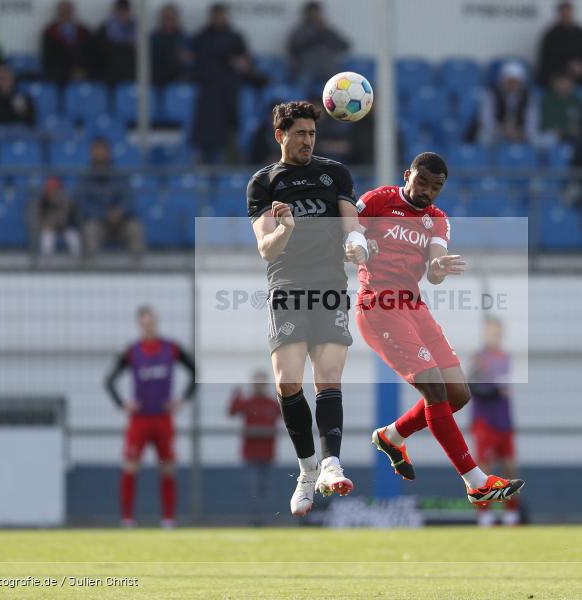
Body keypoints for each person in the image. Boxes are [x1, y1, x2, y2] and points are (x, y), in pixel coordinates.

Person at [359, 152, 525, 507]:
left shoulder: (437, 219)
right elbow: (346, 237)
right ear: (408, 175)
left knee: (458, 394)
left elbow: (434, 270)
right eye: (422, 183)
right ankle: (474, 479)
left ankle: (392, 435)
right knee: (435, 390)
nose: (427, 192)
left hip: (415, 306)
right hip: (380, 305)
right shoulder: (378, 201)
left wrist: (437, 268)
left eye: (436, 188)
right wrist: (356, 246)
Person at [246, 101, 371, 516]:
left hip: (330, 282)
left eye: (312, 134)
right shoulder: (263, 183)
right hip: (287, 285)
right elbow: (266, 250)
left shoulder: (334, 173)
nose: (307, 141)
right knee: (287, 382)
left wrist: (356, 244)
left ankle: (331, 463)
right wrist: (285, 228)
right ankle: (306, 470)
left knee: (329, 376)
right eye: (299, 133)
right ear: (281, 135)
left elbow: (350, 224)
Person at [105, 305, 197, 528]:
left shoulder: (171, 348)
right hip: (140, 420)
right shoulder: (132, 351)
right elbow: (109, 381)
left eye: (152, 323)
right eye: (144, 324)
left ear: (156, 323)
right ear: (139, 325)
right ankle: (127, 518)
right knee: (130, 466)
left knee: (167, 468)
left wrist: (181, 399)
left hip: (163, 419)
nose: (149, 327)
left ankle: (168, 518)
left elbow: (195, 372)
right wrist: (122, 403)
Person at [192, 3, 265, 164]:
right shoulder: (202, 37)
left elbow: (245, 61)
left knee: (232, 126)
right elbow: (197, 62)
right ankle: (206, 161)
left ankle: (231, 159)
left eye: (222, 15)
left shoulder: (235, 36)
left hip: (231, 89)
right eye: (216, 15)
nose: (219, 19)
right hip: (210, 90)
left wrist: (239, 63)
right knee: (208, 127)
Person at [468, 317, 521, 526]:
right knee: (484, 468)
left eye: (497, 331)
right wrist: (494, 390)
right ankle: (485, 514)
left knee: (510, 467)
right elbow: (471, 387)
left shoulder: (506, 358)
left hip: (504, 420)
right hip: (485, 421)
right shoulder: (478, 358)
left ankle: (511, 513)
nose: (494, 335)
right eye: (491, 331)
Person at [74, 137, 145, 263]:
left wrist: (120, 211)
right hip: (98, 222)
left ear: (108, 153)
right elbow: (83, 205)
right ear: (91, 154)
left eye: (103, 152)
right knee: (90, 229)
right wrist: (104, 214)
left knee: (135, 228)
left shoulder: (120, 176)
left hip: (121, 221)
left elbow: (129, 198)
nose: (100, 156)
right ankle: (90, 269)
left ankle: (137, 267)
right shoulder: (85, 179)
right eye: (97, 153)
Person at [228, 370, 281, 520]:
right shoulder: (247, 402)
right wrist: (236, 395)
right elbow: (232, 412)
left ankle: (268, 518)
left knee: (266, 488)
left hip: (268, 454)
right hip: (250, 454)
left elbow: (287, 416)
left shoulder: (272, 403)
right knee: (253, 488)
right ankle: (255, 519)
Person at [286, 2, 350, 99]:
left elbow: (345, 46)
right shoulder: (300, 31)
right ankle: (299, 110)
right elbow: (293, 49)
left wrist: (324, 33)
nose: (314, 16)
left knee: (341, 84)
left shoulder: (327, 30)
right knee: (301, 85)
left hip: (327, 68)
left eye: (316, 13)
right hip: (306, 68)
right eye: (311, 14)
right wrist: (314, 36)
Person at [536, 1, 582, 91]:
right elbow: (546, 60)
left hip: (580, 73)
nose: (566, 16)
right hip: (558, 72)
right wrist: (567, 67)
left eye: (568, 13)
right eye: (564, 14)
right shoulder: (550, 35)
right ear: (559, 14)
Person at [469, 61, 530, 146]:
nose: (512, 85)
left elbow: (531, 121)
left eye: (515, 82)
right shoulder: (491, 94)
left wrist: (520, 132)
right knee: (483, 137)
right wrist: (503, 132)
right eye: (509, 81)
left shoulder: (528, 97)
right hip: (496, 133)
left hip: (519, 134)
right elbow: (487, 121)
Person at [41, 0, 95, 85]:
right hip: (60, 75)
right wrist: (68, 73)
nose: (66, 13)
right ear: (58, 12)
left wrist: (82, 71)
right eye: (63, 10)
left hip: (82, 73)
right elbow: (48, 59)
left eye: (68, 10)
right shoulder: (50, 33)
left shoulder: (83, 32)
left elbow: (91, 55)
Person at [532, 73, 582, 145]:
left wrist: (576, 129)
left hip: (574, 136)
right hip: (551, 134)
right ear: (553, 84)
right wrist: (561, 129)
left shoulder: (578, 100)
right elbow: (545, 120)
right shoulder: (546, 99)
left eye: (565, 82)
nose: (562, 85)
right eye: (560, 82)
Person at [33, 176, 80, 257]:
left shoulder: (66, 199)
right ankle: (46, 265)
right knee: (47, 237)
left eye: (54, 188)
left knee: (73, 237)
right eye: (49, 188)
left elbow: (68, 217)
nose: (52, 191)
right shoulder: (42, 201)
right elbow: (38, 217)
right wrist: (44, 225)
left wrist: (60, 224)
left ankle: (78, 263)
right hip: (49, 226)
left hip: (65, 226)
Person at [95, 0, 136, 85]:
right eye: (119, 10)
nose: (122, 13)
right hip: (109, 76)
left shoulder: (136, 30)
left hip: (130, 75)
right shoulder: (104, 29)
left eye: (125, 10)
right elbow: (100, 52)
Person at [151, 3, 191, 86]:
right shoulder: (153, 38)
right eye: (166, 18)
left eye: (171, 18)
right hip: (156, 83)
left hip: (178, 82)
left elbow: (190, 61)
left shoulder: (184, 38)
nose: (169, 21)